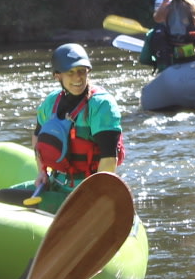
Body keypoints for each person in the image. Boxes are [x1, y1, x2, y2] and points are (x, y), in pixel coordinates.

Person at [25, 43, 122, 209]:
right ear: (57, 75)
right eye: (70, 72)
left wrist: (97, 196)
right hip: (56, 183)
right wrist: (42, 171)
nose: (78, 78)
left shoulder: (101, 105)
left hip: (87, 189)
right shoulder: (51, 102)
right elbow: (37, 136)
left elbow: (108, 158)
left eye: (82, 71)